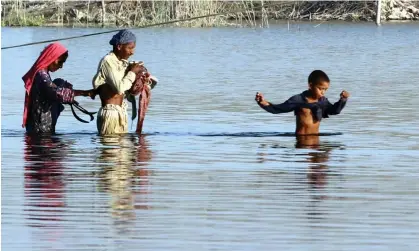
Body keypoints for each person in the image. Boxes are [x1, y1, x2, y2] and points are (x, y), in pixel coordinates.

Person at [92, 29, 156, 135]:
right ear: (119, 46)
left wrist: (140, 78)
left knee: (124, 150)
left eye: (133, 48)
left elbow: (127, 91)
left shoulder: (122, 63)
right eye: (130, 48)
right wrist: (132, 72)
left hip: (121, 112)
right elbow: (120, 88)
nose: (132, 52)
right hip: (110, 114)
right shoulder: (108, 61)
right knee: (111, 150)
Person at [22, 42, 95, 134]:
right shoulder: (41, 75)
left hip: (41, 127)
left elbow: (54, 89)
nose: (61, 66)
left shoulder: (43, 74)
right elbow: (56, 92)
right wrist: (85, 93)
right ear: (51, 57)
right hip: (39, 129)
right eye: (60, 62)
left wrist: (66, 90)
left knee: (59, 82)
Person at [255, 70, 350, 135]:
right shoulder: (298, 100)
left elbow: (334, 111)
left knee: (323, 163)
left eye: (325, 89)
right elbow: (278, 109)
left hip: (316, 140)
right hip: (302, 142)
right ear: (310, 85)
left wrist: (343, 100)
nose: (323, 92)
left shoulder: (323, 101)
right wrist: (262, 102)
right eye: (320, 89)